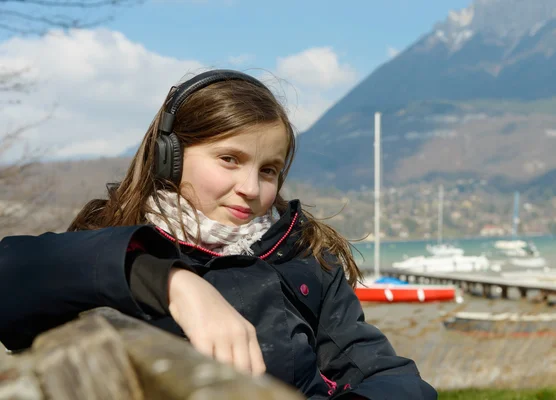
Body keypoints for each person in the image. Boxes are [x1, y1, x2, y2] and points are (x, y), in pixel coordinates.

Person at [0, 69, 437, 399]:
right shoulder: (107, 235)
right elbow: (13, 276)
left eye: (269, 170)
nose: (251, 188)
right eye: (229, 159)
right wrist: (171, 282)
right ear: (169, 157)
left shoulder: (304, 256)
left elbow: (376, 369)